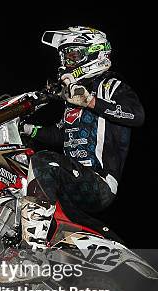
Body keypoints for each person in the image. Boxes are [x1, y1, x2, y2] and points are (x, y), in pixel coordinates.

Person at [19, 26, 144, 250]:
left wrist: (90, 102)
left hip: (99, 183)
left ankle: (32, 252)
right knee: (22, 166)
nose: (67, 63)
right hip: (71, 180)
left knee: (44, 161)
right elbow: (61, 135)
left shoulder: (110, 85)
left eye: (73, 55)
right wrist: (27, 128)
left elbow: (136, 115)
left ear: (96, 53)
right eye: (64, 56)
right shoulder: (74, 95)